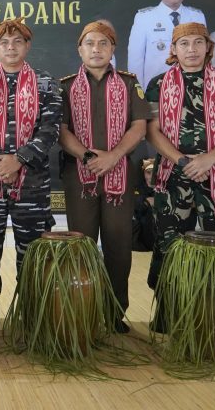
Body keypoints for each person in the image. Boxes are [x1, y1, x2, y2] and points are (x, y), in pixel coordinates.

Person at [0, 17, 62, 330]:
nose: (11, 47)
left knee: (31, 250)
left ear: (27, 46)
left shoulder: (46, 82)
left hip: (31, 184)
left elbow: (50, 128)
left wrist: (18, 160)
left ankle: (30, 308)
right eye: (4, 43)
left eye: (17, 42)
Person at [144, 22, 215, 293]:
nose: (192, 49)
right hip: (172, 173)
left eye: (198, 42)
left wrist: (209, 159)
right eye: (184, 43)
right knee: (169, 245)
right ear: (174, 49)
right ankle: (167, 315)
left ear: (208, 47)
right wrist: (183, 161)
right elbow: (152, 132)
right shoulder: (158, 84)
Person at [58, 20, 149, 330]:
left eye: (103, 44)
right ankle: (82, 308)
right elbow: (61, 130)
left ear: (113, 49)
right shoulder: (66, 86)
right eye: (90, 44)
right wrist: (87, 156)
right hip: (79, 175)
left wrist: (113, 156)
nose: (96, 49)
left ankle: (114, 312)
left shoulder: (128, 83)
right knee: (80, 244)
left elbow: (139, 126)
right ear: (79, 49)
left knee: (118, 244)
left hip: (119, 175)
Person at [127, 0, 206, 87]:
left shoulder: (197, 16)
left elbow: (204, 56)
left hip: (191, 91)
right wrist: (139, 95)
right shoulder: (144, 18)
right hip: (156, 93)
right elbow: (135, 62)